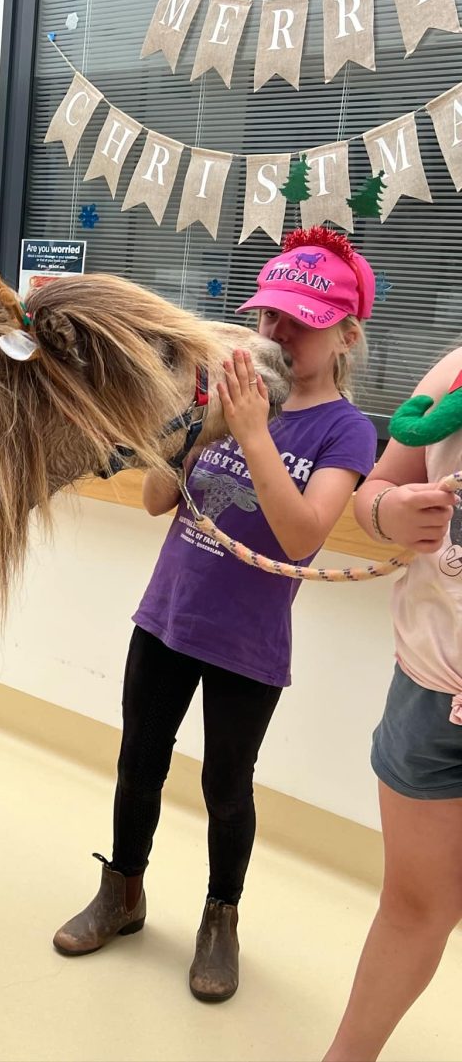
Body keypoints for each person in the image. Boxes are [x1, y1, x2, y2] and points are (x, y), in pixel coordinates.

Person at [52, 227, 380, 1003]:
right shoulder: (228, 405)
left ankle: (219, 918)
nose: (279, 334)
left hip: (248, 641)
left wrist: (255, 429)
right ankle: (123, 889)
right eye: (270, 317)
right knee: (140, 759)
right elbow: (158, 499)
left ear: (347, 333)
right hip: (168, 614)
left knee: (228, 787)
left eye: (303, 320)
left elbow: (303, 534)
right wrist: (196, 425)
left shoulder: (346, 430)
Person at [323, 348, 462, 1061]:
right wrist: (390, 510)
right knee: (411, 907)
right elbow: (374, 493)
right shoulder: (455, 373)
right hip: (433, 693)